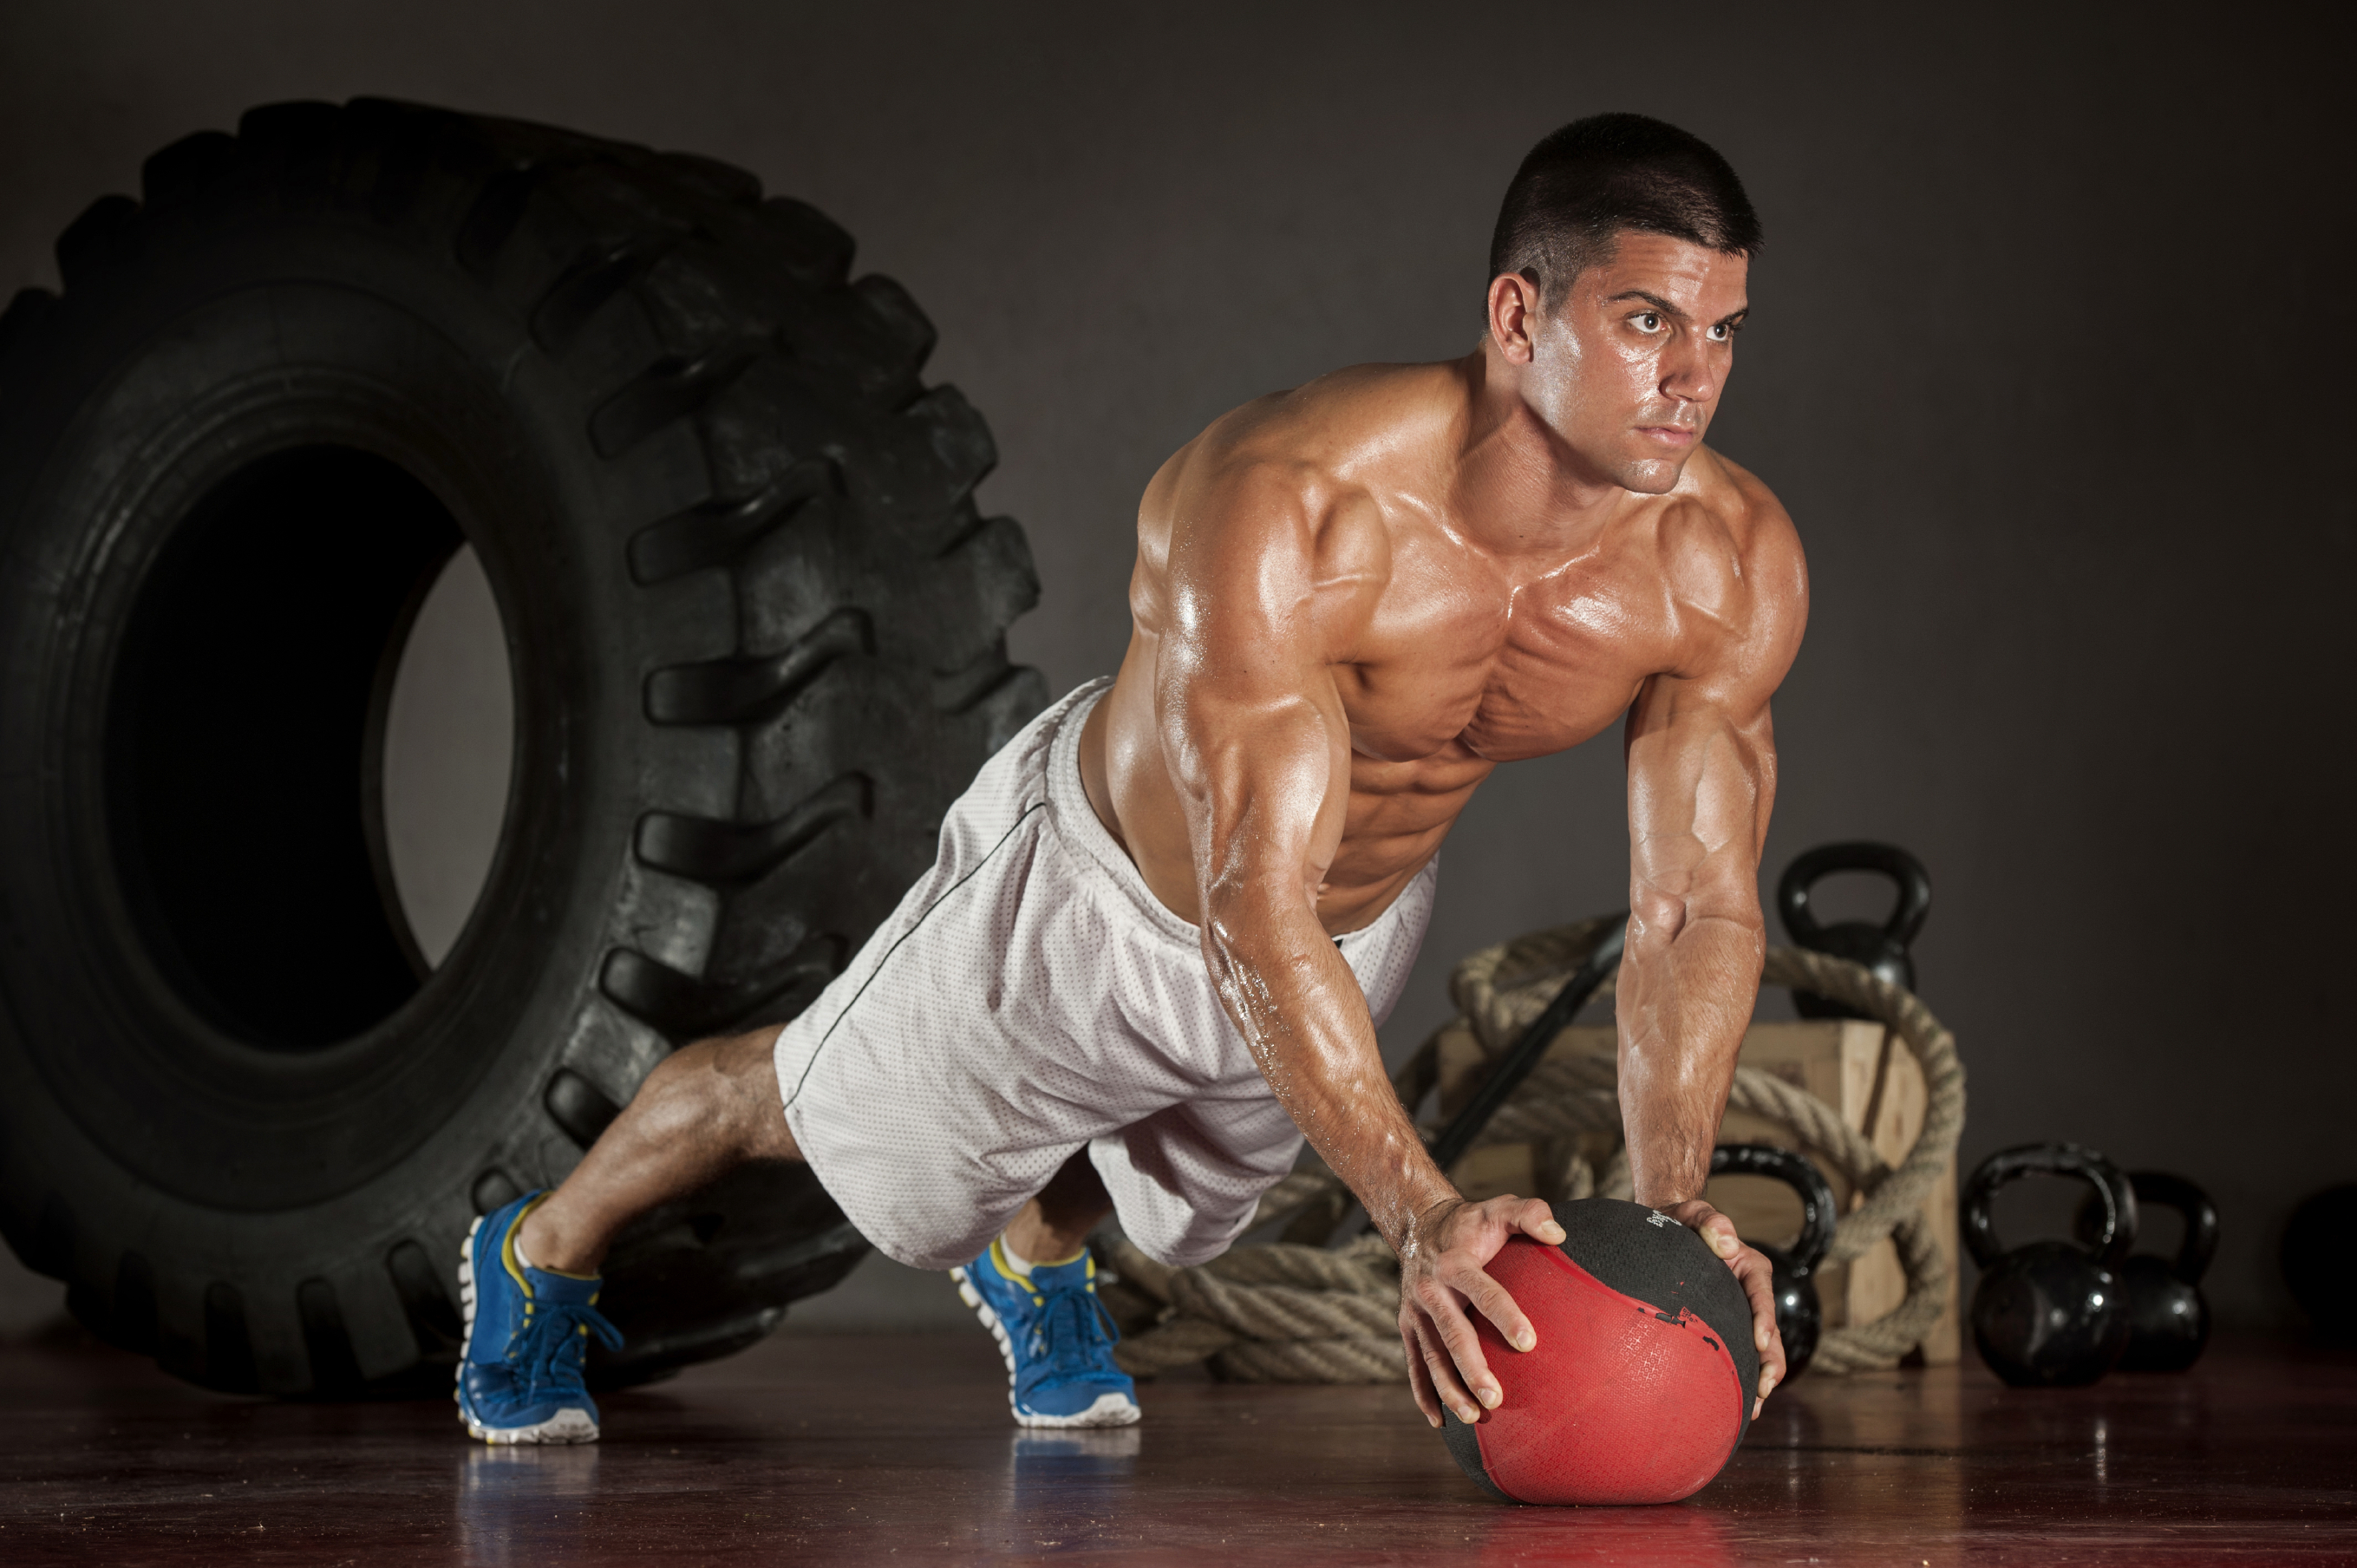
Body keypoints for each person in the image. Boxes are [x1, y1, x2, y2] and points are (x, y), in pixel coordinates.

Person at [454, 111, 1805, 1446]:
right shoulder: (1294, 500)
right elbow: (1245, 895)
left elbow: (1690, 905)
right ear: (1518, 316)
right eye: (1646, 322)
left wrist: (1668, 1205)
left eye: (1722, 330)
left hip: (1344, 928)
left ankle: (1038, 1259)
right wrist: (1422, 1215)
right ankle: (541, 1251)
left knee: (1182, 1195)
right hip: (1096, 903)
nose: (1692, 376)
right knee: (805, 1110)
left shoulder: (1726, 562)